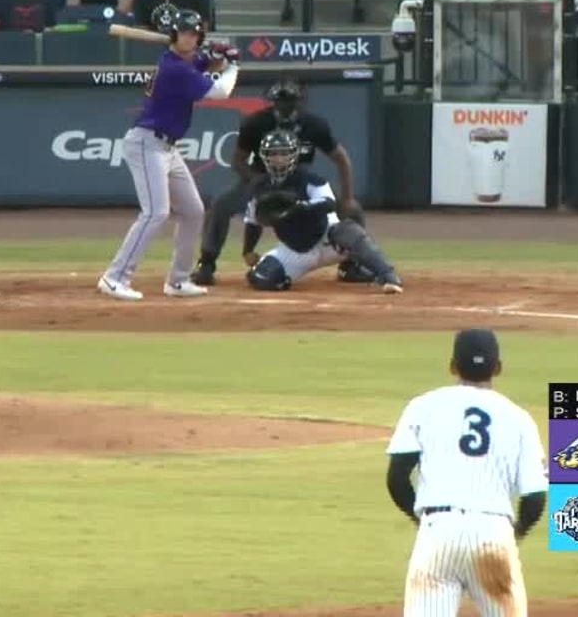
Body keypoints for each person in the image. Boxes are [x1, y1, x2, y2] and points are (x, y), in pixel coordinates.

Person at [386, 328, 549, 617]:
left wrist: (418, 517)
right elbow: (535, 496)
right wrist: (517, 532)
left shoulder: (423, 406)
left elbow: (397, 478)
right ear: (498, 368)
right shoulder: (520, 419)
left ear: (452, 365)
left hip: (437, 533)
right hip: (494, 537)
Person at [98, 11, 240, 301]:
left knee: (192, 210)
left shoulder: (181, 62)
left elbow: (199, 62)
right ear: (174, 35)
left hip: (167, 147)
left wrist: (214, 55)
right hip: (146, 143)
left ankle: (178, 280)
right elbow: (221, 91)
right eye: (185, 33)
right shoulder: (175, 69)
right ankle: (114, 278)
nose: (190, 38)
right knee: (155, 212)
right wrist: (233, 65)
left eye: (194, 34)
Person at [191, 78, 371, 287]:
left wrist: (348, 197)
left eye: (291, 101)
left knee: (353, 210)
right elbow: (238, 160)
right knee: (221, 205)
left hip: (299, 181)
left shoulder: (314, 124)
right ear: (272, 102)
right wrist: (256, 181)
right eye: (281, 101)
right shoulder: (256, 122)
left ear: (300, 102)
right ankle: (207, 263)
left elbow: (341, 159)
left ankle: (351, 265)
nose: (286, 106)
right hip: (262, 176)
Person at [240, 129, 403, 293]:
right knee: (261, 278)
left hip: (327, 240)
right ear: (264, 156)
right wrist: (248, 250)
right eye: (273, 154)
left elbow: (329, 204)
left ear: (294, 155)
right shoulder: (258, 188)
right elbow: (252, 221)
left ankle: (386, 275)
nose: (279, 159)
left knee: (347, 230)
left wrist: (300, 206)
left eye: (284, 153)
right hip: (293, 250)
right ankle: (284, 278)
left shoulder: (310, 180)